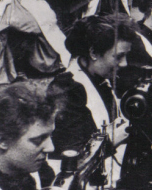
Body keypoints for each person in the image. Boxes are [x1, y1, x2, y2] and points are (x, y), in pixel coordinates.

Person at [47, 14, 137, 158]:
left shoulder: (97, 76)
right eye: (119, 56)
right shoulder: (67, 91)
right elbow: (74, 155)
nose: (124, 63)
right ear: (94, 52)